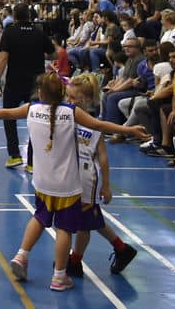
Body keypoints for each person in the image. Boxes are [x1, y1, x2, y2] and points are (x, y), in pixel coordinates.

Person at [0, 73, 147, 292]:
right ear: (63, 94)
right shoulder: (71, 113)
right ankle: (60, 275)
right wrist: (129, 129)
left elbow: (7, 112)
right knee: (66, 228)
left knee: (49, 219)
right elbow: (101, 125)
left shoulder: (33, 109)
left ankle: (27, 256)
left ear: (41, 93)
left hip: (50, 182)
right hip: (68, 185)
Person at [65, 75, 139, 277]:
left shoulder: (93, 124)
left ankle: (75, 261)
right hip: (72, 175)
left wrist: (106, 186)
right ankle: (122, 249)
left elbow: (103, 158)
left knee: (85, 221)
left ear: (86, 100)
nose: (69, 102)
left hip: (87, 177)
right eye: (67, 97)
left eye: (74, 98)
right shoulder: (66, 116)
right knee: (91, 218)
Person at [0, 5, 54, 169]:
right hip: (36, 83)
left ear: (14, 16)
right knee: (36, 118)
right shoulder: (39, 32)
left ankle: (14, 156)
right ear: (29, 15)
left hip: (14, 81)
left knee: (9, 116)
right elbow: (53, 54)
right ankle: (32, 162)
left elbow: (3, 58)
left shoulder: (9, 32)